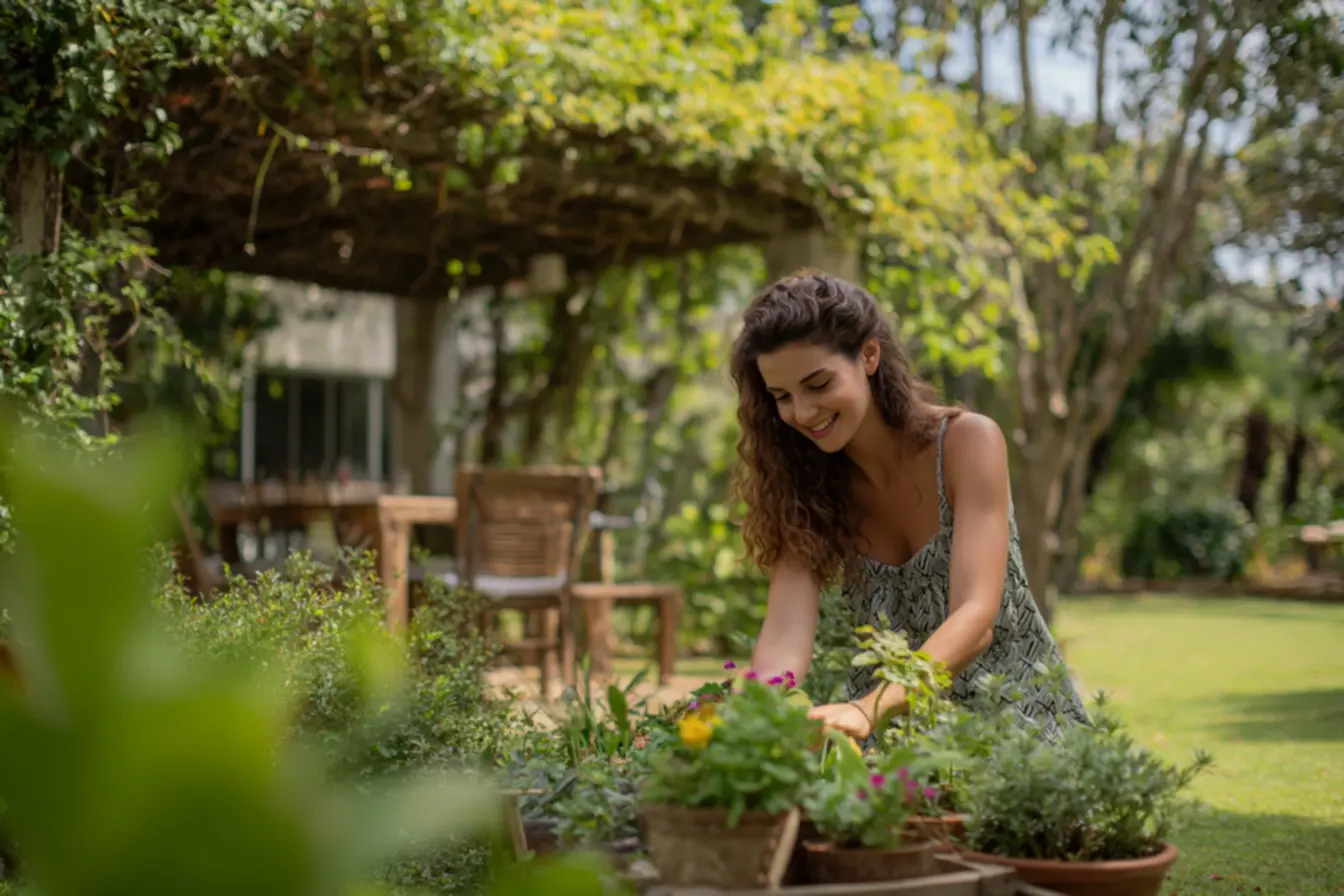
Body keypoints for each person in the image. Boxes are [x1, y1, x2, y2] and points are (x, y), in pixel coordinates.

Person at [729, 270, 1089, 742]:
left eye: (818, 384)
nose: (801, 412)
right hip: (892, 743)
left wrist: (869, 706)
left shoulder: (966, 442)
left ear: (869, 355)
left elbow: (976, 616)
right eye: (782, 396)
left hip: (1017, 727)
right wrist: (758, 716)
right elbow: (784, 633)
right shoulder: (806, 486)